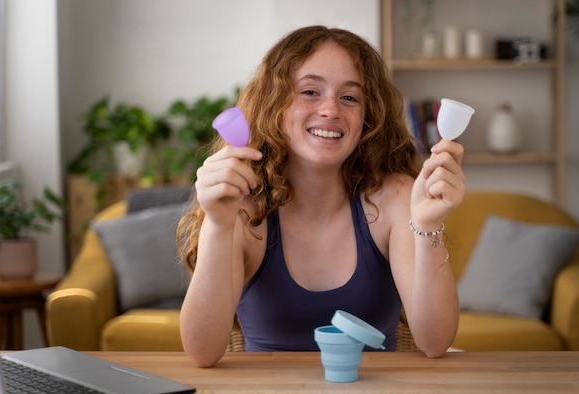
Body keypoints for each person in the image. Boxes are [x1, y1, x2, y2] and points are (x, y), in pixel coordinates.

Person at [177, 25, 465, 368]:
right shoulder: (244, 207)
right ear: (275, 104)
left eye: (349, 97)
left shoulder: (396, 198)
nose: (330, 110)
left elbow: (434, 342)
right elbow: (201, 352)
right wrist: (218, 225)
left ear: (368, 117)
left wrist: (429, 225)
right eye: (310, 91)